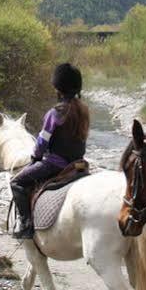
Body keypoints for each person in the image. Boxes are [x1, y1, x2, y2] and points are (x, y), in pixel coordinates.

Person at [10, 63, 89, 239]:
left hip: (55, 164)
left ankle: (25, 223)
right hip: (78, 164)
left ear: (58, 89)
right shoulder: (84, 111)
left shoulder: (55, 113)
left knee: (16, 182)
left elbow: (42, 142)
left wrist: (35, 157)